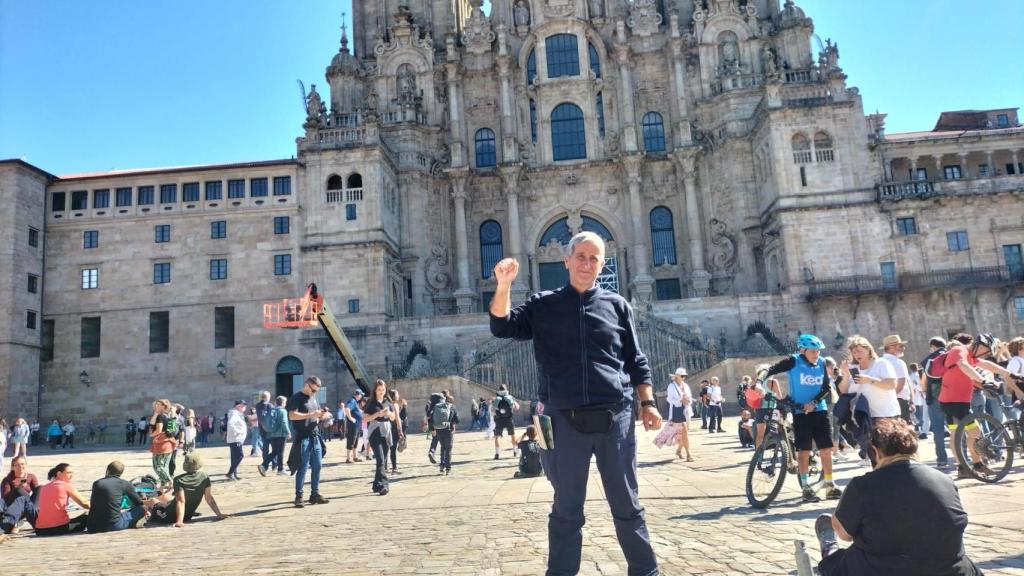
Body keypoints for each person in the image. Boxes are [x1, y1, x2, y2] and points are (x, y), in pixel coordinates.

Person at [489, 232, 661, 576]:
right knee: (566, 507)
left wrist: (649, 403)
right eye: (580, 257)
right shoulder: (542, 305)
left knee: (627, 504)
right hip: (558, 420)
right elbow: (502, 326)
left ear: (602, 263)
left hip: (616, 417)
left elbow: (636, 360)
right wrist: (504, 284)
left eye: (593, 258)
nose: (586, 264)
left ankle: (646, 571)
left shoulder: (617, 305)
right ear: (566, 261)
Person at [813, 419, 982, 576]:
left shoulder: (863, 485)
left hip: (885, 570)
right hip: (950, 570)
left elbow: (844, 533)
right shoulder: (945, 480)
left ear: (876, 452)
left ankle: (829, 547)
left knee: (837, 561)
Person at [758, 334, 840, 502]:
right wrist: (759, 382)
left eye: (818, 350)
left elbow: (826, 387)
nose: (816, 353)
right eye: (813, 350)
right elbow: (771, 369)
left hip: (819, 410)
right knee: (804, 450)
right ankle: (806, 487)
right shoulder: (794, 361)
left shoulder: (822, 363)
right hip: (800, 411)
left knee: (826, 449)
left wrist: (814, 402)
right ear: (803, 350)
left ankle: (830, 484)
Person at [937, 333, 1017, 479]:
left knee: (961, 433)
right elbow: (963, 365)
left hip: (957, 400)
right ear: (980, 344)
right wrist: (983, 380)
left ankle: (967, 466)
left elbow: (986, 364)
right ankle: (972, 465)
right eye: (985, 350)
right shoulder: (959, 350)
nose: (984, 354)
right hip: (953, 400)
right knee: (973, 432)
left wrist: (1009, 373)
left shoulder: (971, 355)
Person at [287, 376, 330, 508]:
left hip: (315, 436)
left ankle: (314, 494)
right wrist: (311, 415)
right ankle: (299, 496)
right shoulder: (296, 398)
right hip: (303, 437)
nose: (314, 392)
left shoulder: (314, 398)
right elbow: (292, 415)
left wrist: (322, 415)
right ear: (307, 385)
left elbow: (315, 414)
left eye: (316, 390)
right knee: (303, 467)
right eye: (313, 390)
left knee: (317, 466)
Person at [151, 453, 227, 527]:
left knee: (154, 501)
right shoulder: (204, 477)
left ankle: (143, 504)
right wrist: (219, 514)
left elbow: (181, 501)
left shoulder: (179, 479)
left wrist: (179, 521)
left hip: (168, 517)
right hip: (187, 516)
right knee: (166, 497)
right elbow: (209, 498)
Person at [86, 461, 148, 533]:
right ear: (121, 473)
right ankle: (133, 522)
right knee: (141, 509)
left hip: (93, 526)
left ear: (107, 470)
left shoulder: (97, 483)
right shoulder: (124, 483)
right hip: (113, 524)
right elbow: (139, 503)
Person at [34, 463, 90, 536]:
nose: (71, 475)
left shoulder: (44, 487)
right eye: (68, 473)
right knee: (86, 517)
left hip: (40, 530)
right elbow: (84, 503)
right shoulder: (66, 485)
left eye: (72, 473)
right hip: (60, 528)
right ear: (59, 473)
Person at [363, 379, 396, 495]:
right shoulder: (371, 403)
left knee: (383, 460)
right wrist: (378, 414)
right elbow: (365, 419)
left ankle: (376, 485)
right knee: (380, 459)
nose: (381, 392)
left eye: (383, 390)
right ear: (375, 391)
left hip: (386, 430)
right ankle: (384, 485)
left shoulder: (388, 402)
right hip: (375, 430)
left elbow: (393, 418)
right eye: (379, 390)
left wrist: (388, 414)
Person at [921, 337, 950, 468]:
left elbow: (923, 383)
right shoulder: (951, 355)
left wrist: (924, 391)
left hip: (934, 398)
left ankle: (942, 460)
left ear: (933, 346)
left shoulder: (929, 359)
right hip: (951, 397)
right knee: (957, 428)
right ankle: (964, 457)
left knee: (938, 431)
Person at [1, 456, 39, 534]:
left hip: (28, 506)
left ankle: (34, 512)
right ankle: (13, 521)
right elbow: (5, 498)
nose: (20, 466)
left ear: (26, 465)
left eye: (22, 464)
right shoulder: (7, 479)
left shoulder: (31, 477)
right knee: (19, 491)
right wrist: (18, 488)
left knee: (40, 488)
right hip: (13, 507)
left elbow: (37, 493)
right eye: (17, 465)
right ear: (12, 467)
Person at [880, 335, 913, 424]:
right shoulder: (898, 363)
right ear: (891, 348)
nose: (903, 348)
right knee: (904, 430)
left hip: (885, 401)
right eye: (901, 346)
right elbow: (901, 383)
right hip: (899, 401)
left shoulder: (879, 362)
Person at [665, 367, 694, 461]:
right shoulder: (671, 386)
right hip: (677, 411)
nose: (684, 377)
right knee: (685, 432)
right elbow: (669, 399)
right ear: (677, 376)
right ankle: (689, 455)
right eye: (682, 376)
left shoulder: (685, 385)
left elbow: (689, 396)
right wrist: (680, 400)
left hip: (686, 410)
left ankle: (678, 450)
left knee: (685, 432)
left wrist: (688, 400)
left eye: (685, 376)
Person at [259, 396, 291, 477]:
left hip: (272, 434)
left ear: (276, 402)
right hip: (281, 434)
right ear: (283, 403)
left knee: (275, 452)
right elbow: (284, 422)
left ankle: (264, 465)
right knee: (280, 452)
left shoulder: (272, 410)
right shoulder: (282, 411)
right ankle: (280, 469)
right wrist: (288, 432)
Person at [149, 400, 177, 490]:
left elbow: (158, 430)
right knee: (163, 466)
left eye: (158, 404)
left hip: (162, 444)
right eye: (155, 404)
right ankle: (163, 485)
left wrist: (151, 435)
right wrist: (155, 413)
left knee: (158, 467)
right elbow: (152, 423)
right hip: (166, 443)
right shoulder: (165, 415)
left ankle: (170, 482)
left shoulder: (161, 416)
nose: (155, 405)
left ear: (163, 406)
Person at [431, 390, 459, 476]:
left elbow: (431, 418)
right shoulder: (452, 407)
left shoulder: (436, 407)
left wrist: (433, 429)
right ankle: (448, 468)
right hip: (448, 429)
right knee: (448, 449)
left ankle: (442, 465)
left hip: (439, 430)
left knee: (442, 447)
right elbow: (457, 420)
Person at [492, 384, 521, 460]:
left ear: (499, 389)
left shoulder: (496, 398)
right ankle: (515, 450)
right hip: (509, 419)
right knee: (512, 435)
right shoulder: (510, 397)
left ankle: (497, 453)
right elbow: (517, 407)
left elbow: (493, 410)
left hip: (499, 419)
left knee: (497, 436)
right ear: (506, 389)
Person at [387, 389, 408, 475]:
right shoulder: (395, 405)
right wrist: (400, 431)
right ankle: (394, 468)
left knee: (388, 449)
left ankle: (385, 467)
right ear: (394, 396)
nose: (398, 395)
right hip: (394, 429)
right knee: (393, 449)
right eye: (397, 394)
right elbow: (398, 419)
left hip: (387, 428)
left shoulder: (387, 404)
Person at [226, 399, 247, 480]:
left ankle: (234, 474)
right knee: (240, 456)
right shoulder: (234, 413)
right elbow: (231, 423)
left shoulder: (237, 413)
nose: (245, 407)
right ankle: (230, 473)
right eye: (243, 406)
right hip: (235, 438)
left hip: (236, 439)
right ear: (239, 406)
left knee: (234, 457)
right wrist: (238, 432)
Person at [344, 391, 364, 463]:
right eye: (361, 395)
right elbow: (347, 409)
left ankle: (355, 456)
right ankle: (348, 458)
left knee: (355, 441)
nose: (361, 397)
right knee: (351, 440)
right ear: (358, 395)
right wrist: (350, 418)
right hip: (353, 425)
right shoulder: (352, 401)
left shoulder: (355, 402)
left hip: (357, 425)